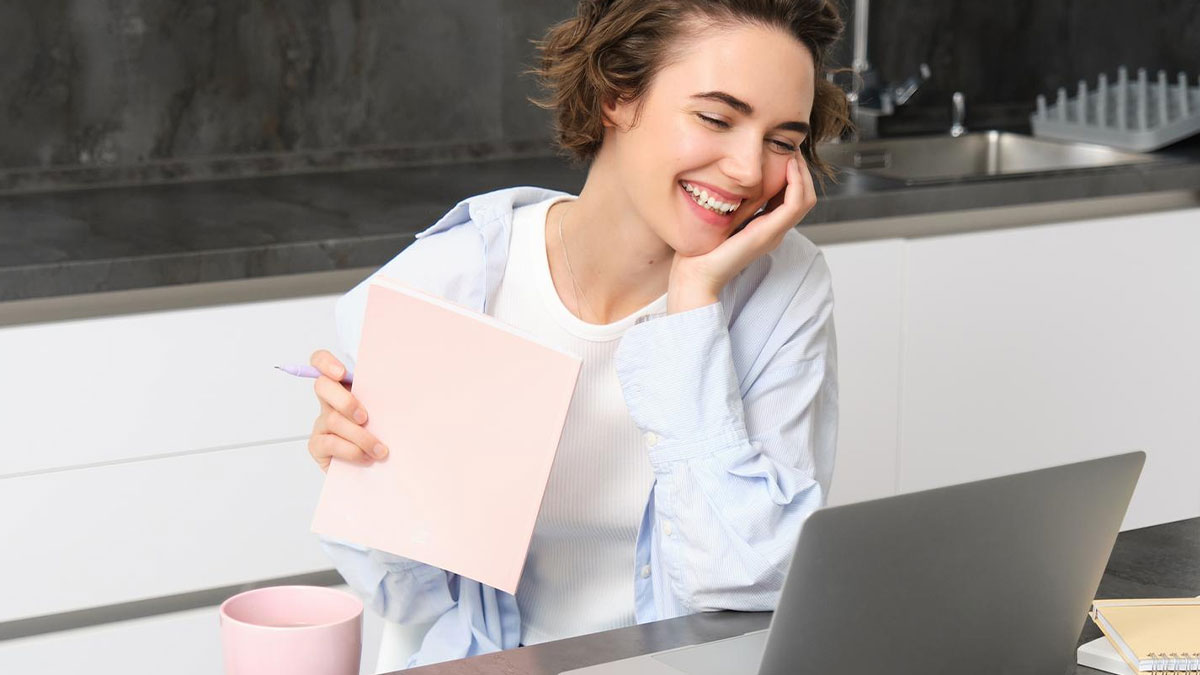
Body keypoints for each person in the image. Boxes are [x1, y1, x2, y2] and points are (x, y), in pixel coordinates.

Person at [306, 0, 849, 668]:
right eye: (716, 117)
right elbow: (409, 600)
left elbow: (753, 586)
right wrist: (364, 482)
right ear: (617, 95)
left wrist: (692, 308)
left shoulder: (782, 291)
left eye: (782, 141)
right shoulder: (451, 284)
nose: (746, 168)